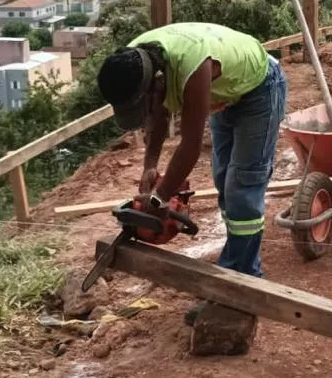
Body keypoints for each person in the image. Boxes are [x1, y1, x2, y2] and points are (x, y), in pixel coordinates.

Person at [96, 22, 288, 323]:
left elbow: (190, 144)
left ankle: (239, 282)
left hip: (259, 88)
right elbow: (157, 116)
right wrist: (150, 166)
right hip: (223, 96)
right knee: (223, 180)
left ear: (158, 82)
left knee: (242, 187)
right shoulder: (135, 63)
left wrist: (160, 199)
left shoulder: (192, 69)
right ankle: (239, 265)